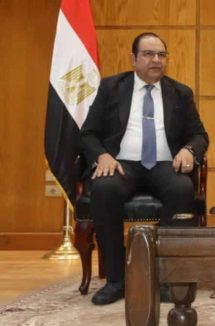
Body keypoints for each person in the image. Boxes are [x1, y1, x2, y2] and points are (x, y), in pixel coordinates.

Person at [80, 32, 208, 305]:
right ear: (133, 59)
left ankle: (168, 280)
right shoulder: (112, 87)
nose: (156, 60)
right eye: (148, 54)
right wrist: (102, 155)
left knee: (182, 188)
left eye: (161, 55)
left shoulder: (180, 93)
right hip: (122, 164)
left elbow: (199, 135)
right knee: (104, 189)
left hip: (164, 163)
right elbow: (88, 133)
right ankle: (116, 281)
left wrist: (189, 150)